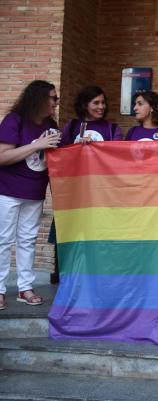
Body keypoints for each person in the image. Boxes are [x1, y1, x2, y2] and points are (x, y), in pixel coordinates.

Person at [0, 80, 62, 309]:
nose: (56, 103)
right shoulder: (14, 120)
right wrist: (38, 144)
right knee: (3, 240)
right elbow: (2, 156)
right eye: (53, 98)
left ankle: (25, 288)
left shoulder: (51, 124)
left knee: (27, 241)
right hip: (7, 191)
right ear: (39, 98)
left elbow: (54, 159)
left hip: (35, 192)